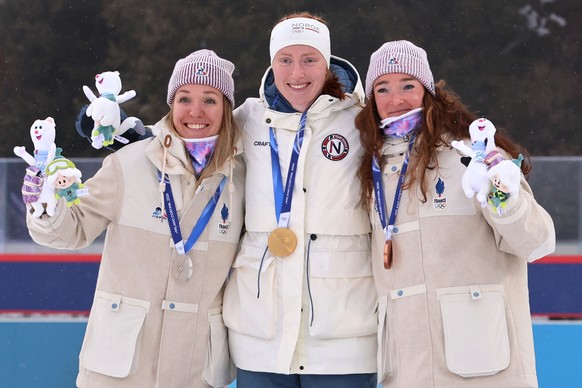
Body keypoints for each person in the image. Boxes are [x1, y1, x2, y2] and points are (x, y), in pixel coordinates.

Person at [25, 49, 244, 388]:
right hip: (120, 370)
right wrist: (47, 207)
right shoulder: (129, 163)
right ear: (171, 103)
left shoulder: (241, 178)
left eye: (210, 100)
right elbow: (73, 231)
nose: (195, 111)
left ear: (227, 108)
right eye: (184, 97)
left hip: (196, 371)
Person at [355, 40, 556, 387]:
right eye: (382, 88)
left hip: (484, 367)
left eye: (408, 85)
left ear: (428, 91)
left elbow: (537, 243)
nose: (395, 99)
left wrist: (502, 194)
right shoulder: (371, 167)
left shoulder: (472, 155)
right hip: (406, 370)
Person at [222, 12, 377, 388]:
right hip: (262, 334)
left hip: (344, 337)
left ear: (327, 64)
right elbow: (189, 138)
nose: (297, 73)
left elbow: (420, 142)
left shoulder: (361, 120)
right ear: (272, 63)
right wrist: (122, 133)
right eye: (285, 60)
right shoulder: (249, 119)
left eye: (310, 60)